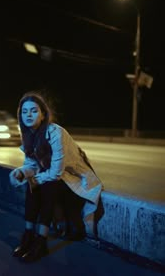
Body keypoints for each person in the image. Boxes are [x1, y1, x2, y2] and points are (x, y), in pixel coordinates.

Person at [9, 91, 103, 263]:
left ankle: (41, 241)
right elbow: (31, 164)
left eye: (34, 111)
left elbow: (57, 172)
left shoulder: (56, 133)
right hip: (57, 177)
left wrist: (36, 178)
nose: (28, 115)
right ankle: (29, 235)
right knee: (34, 183)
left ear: (43, 114)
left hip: (74, 178)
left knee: (46, 184)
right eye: (24, 112)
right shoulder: (28, 135)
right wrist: (22, 172)